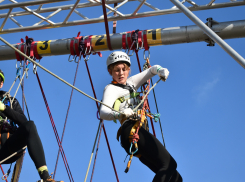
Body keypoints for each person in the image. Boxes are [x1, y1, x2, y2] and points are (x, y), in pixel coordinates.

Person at [100, 51, 182, 182]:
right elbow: (103, 112)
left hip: (138, 132)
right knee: (169, 164)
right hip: (130, 130)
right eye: (116, 70)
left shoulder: (131, 82)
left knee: (176, 178)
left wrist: (161, 70)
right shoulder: (111, 89)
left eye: (124, 69)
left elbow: (152, 70)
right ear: (110, 71)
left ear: (128, 70)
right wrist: (119, 113)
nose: (121, 73)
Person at [0, 69, 63, 182]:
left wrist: (5, 109)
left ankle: (45, 177)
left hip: (5, 146)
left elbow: (23, 121)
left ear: (1, 84)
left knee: (30, 126)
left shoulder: (10, 101)